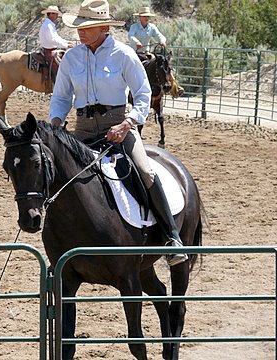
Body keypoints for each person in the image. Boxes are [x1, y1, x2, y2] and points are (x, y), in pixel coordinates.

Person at [49, 0, 187, 266]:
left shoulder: (124, 54)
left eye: (86, 27)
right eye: (79, 26)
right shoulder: (72, 58)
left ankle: (171, 237)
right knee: (55, 171)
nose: (80, 31)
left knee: (145, 170)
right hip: (83, 129)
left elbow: (143, 93)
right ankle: (58, 237)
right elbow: (61, 97)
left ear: (103, 27)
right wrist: (55, 121)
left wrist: (128, 123)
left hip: (119, 127)